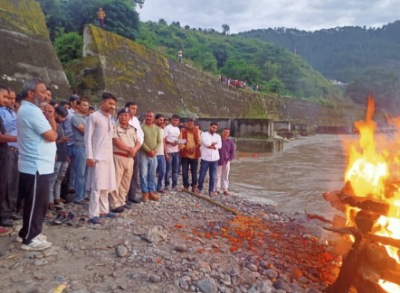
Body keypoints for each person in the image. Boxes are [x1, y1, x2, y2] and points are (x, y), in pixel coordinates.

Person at [17, 78, 57, 250]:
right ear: (31, 93)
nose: (46, 96)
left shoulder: (32, 110)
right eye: (42, 92)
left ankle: (28, 232)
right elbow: (52, 136)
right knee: (35, 203)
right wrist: (51, 120)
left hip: (39, 165)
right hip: (35, 165)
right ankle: (30, 238)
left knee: (37, 203)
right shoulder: (31, 111)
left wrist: (51, 117)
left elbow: (50, 132)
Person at [85, 92, 117, 224]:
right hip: (97, 157)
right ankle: (93, 214)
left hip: (108, 156)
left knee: (106, 185)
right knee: (97, 186)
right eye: (110, 103)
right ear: (102, 103)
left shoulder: (110, 118)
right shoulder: (94, 117)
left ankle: (104, 210)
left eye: (113, 104)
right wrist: (89, 156)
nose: (112, 106)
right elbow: (87, 138)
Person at [109, 108, 141, 213]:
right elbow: (116, 141)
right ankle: (114, 204)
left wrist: (134, 150)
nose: (124, 117)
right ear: (118, 116)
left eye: (126, 115)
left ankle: (122, 201)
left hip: (130, 158)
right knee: (116, 181)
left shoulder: (132, 129)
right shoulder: (114, 127)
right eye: (121, 115)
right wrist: (129, 149)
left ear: (129, 117)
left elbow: (138, 142)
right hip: (119, 156)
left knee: (126, 181)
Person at [0, 88, 21, 228]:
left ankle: (10, 210)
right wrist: (21, 138)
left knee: (13, 182)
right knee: (5, 183)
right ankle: (4, 214)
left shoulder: (12, 112)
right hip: (5, 149)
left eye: (11, 98)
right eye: (5, 97)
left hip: (13, 149)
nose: (9, 100)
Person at [48, 106, 69, 209]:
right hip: (56, 155)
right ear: (56, 114)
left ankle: (57, 197)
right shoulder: (51, 126)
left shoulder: (60, 125)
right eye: (62, 116)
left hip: (63, 155)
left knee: (60, 178)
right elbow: (50, 141)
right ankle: (50, 200)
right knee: (53, 178)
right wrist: (61, 141)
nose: (63, 119)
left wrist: (67, 156)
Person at [71, 97, 89, 204]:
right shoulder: (75, 118)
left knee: (86, 173)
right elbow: (84, 130)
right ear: (78, 106)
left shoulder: (87, 119)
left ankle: (84, 194)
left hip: (87, 147)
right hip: (80, 147)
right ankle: (78, 197)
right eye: (84, 105)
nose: (86, 107)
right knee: (80, 173)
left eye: (87, 105)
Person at [139, 111, 161, 202]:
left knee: (152, 174)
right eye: (147, 116)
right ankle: (145, 192)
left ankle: (151, 191)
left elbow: (159, 141)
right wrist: (149, 150)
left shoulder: (156, 129)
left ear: (153, 118)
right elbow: (140, 140)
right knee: (143, 174)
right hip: (144, 154)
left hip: (154, 155)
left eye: (151, 116)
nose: (149, 118)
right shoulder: (141, 127)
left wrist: (155, 150)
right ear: (145, 117)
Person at [126, 101, 144, 204]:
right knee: (125, 174)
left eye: (135, 109)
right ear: (127, 108)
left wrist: (137, 147)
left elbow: (140, 135)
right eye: (132, 108)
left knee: (134, 173)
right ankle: (124, 197)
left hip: (136, 149)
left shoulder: (136, 120)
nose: (134, 111)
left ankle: (132, 195)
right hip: (126, 149)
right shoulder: (123, 119)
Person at [197, 122, 222, 196]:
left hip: (215, 159)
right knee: (202, 175)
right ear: (209, 127)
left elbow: (220, 145)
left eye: (216, 128)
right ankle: (199, 189)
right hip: (205, 158)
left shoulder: (217, 136)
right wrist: (213, 144)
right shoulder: (204, 134)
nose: (214, 129)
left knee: (213, 175)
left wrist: (213, 145)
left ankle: (211, 191)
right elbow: (205, 143)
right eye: (213, 127)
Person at [63, 94, 79, 197]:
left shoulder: (81, 114)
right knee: (65, 170)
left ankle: (73, 189)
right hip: (68, 142)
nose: (78, 104)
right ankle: (65, 192)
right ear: (71, 102)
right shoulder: (67, 113)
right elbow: (63, 127)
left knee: (75, 169)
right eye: (77, 102)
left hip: (77, 143)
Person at [179, 118, 201, 193]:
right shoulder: (183, 131)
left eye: (191, 124)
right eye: (188, 124)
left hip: (194, 154)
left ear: (193, 125)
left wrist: (193, 149)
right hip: (185, 154)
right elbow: (180, 142)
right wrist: (187, 149)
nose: (190, 125)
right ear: (186, 124)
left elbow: (199, 142)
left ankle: (194, 186)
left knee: (194, 172)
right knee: (184, 172)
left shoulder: (196, 131)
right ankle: (186, 186)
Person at [215, 128, 235, 195]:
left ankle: (225, 189)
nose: (225, 133)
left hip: (226, 161)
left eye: (227, 132)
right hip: (218, 160)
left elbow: (232, 152)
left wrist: (229, 159)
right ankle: (217, 189)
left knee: (226, 175)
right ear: (222, 132)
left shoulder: (230, 142)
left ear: (229, 134)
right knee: (217, 175)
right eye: (224, 132)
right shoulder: (218, 140)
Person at [164, 114, 181, 191]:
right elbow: (164, 139)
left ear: (178, 121)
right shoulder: (167, 128)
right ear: (171, 120)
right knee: (168, 169)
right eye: (174, 120)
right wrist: (171, 143)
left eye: (177, 120)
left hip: (176, 151)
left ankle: (174, 185)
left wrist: (179, 143)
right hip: (169, 151)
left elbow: (178, 139)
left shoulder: (178, 129)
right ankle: (167, 184)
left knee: (175, 169)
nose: (175, 121)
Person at [155, 114, 167, 194]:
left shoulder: (163, 131)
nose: (162, 121)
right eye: (160, 120)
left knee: (163, 171)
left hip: (161, 154)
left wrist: (166, 153)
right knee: (152, 172)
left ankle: (159, 187)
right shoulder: (153, 129)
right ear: (155, 120)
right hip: (154, 154)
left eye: (163, 120)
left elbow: (164, 142)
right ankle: (151, 188)